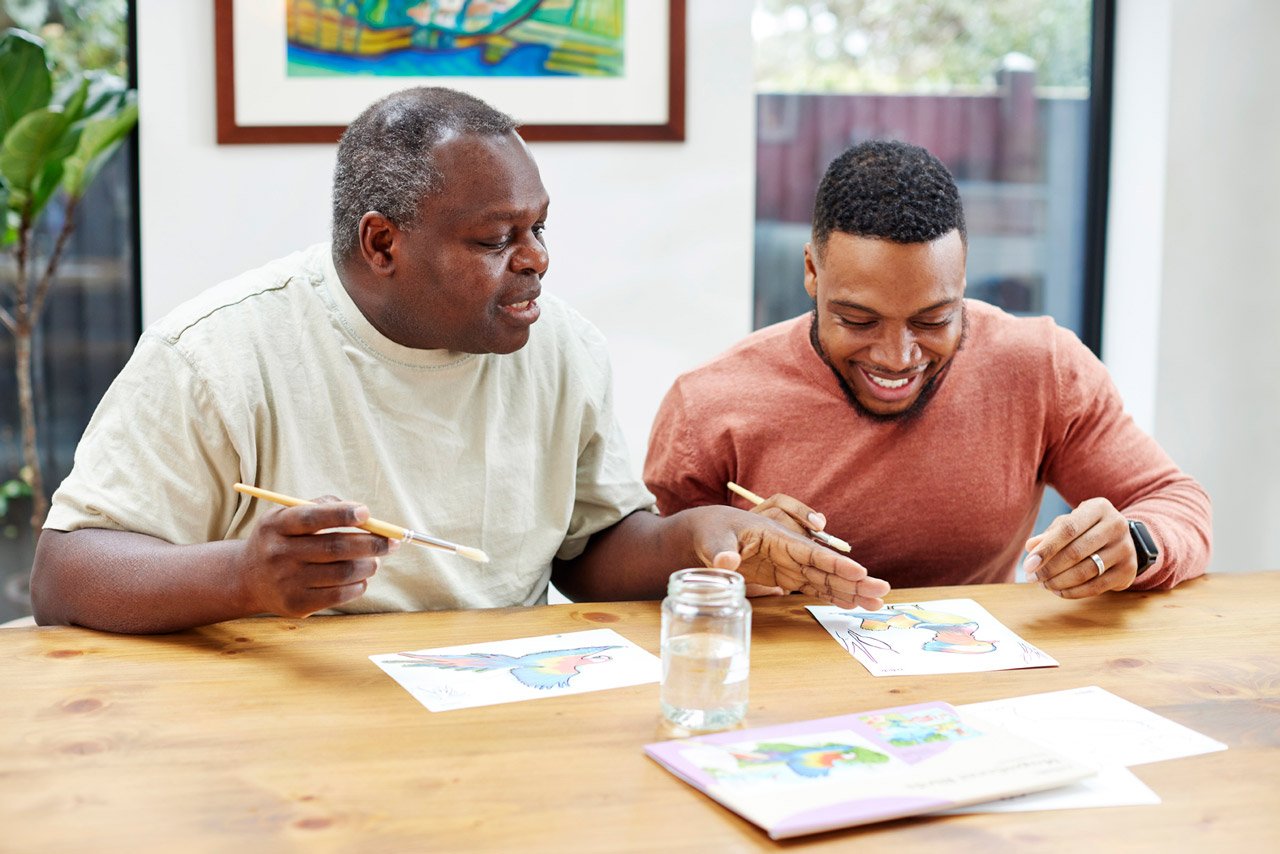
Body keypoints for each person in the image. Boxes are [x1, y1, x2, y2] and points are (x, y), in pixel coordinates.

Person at [31, 88, 889, 634]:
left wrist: (703, 539)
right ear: (382, 244)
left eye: (539, 227)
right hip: (282, 720)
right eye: (496, 239)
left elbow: (591, 555)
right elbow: (66, 576)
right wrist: (244, 575)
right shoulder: (218, 352)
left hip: (492, 715)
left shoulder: (560, 349)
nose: (537, 259)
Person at [644, 140, 1211, 599]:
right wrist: (725, 570)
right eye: (858, 321)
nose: (897, 356)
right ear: (813, 272)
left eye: (933, 320)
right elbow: (636, 577)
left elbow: (1175, 502)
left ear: (963, 279)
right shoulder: (710, 403)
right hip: (779, 696)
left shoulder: (1040, 368)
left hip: (973, 679)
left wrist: (1137, 543)